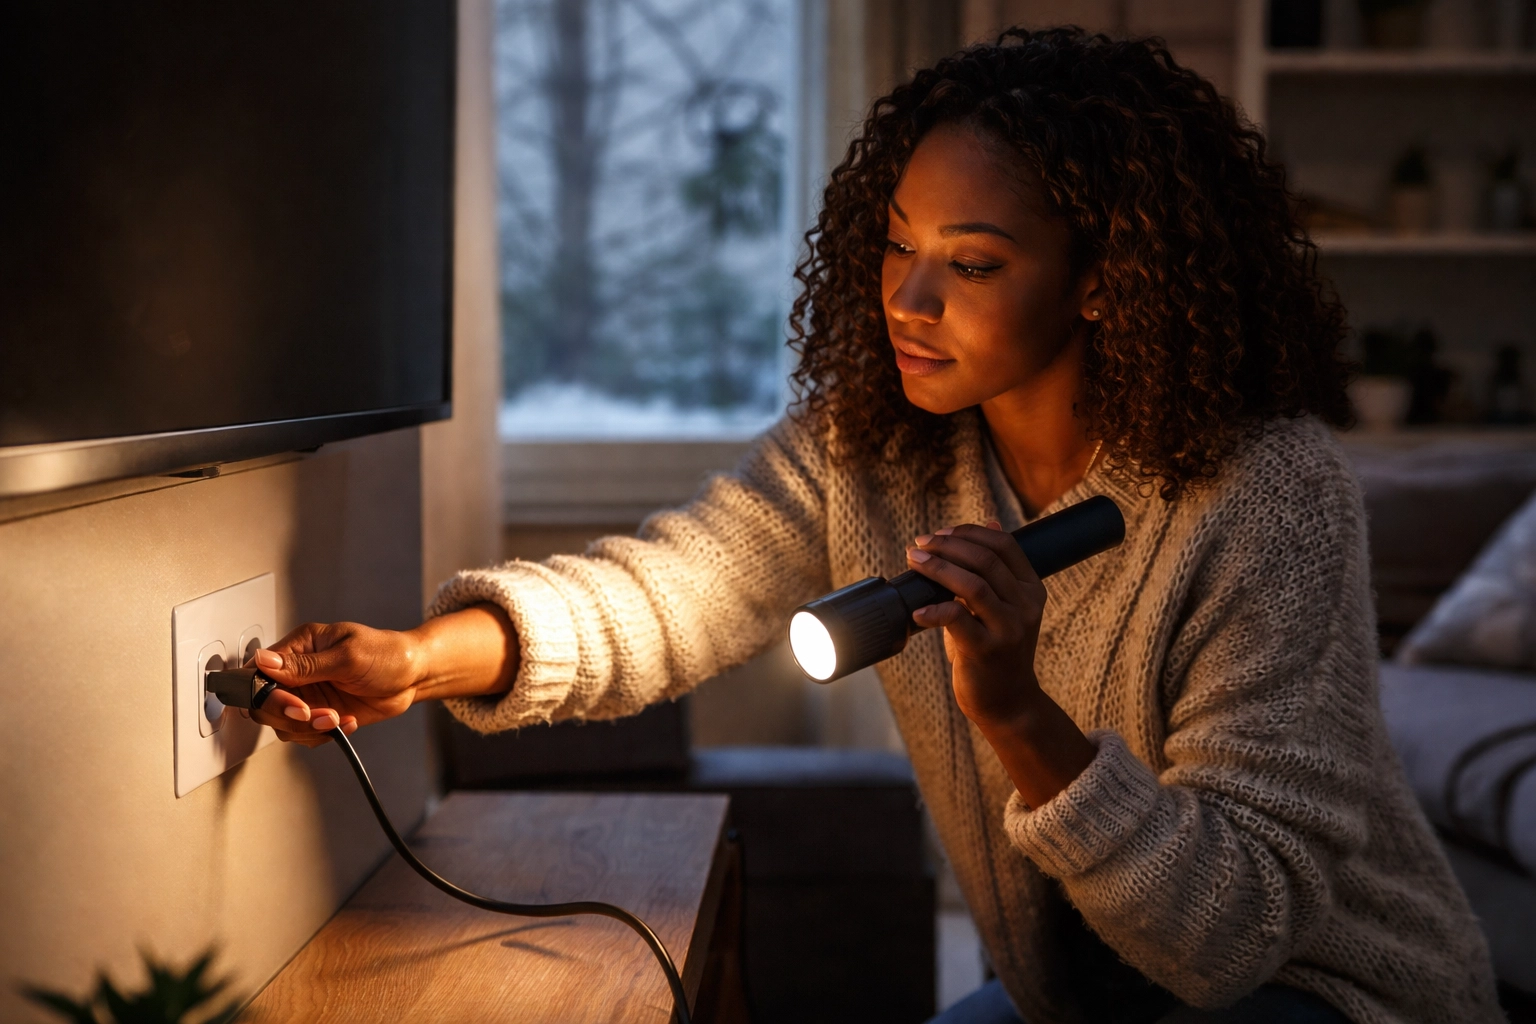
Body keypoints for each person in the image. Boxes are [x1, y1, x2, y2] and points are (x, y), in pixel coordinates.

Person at [243, 28, 1501, 1024]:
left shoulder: (1267, 495)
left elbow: (1232, 935)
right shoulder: (875, 451)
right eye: (896, 244)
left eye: (973, 261)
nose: (907, 298)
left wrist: (1013, 708)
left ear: (1109, 274)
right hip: (1083, 997)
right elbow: (668, 592)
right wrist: (419, 658)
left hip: (1323, 991)